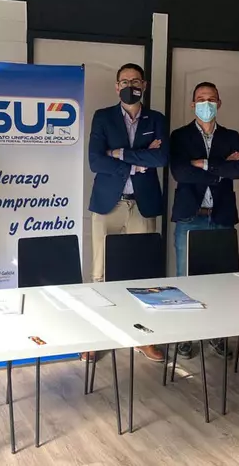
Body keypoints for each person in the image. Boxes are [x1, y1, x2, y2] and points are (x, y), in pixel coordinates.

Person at [86, 63, 168, 363]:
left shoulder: (156, 119)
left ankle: (142, 337)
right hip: (108, 203)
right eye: (124, 81)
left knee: (143, 275)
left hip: (142, 204)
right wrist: (137, 163)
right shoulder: (103, 117)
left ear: (143, 85)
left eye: (135, 81)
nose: (129, 85)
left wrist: (118, 153)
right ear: (116, 86)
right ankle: (98, 337)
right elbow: (95, 161)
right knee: (100, 273)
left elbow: (161, 158)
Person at [170, 81, 239, 359]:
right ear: (193, 104)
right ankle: (186, 336)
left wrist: (201, 163)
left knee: (222, 282)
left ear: (219, 103)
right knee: (186, 280)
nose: (206, 103)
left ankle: (217, 334)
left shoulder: (231, 136)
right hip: (190, 217)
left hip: (222, 217)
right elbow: (180, 172)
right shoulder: (180, 136)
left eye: (211, 99)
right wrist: (219, 168)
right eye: (201, 99)